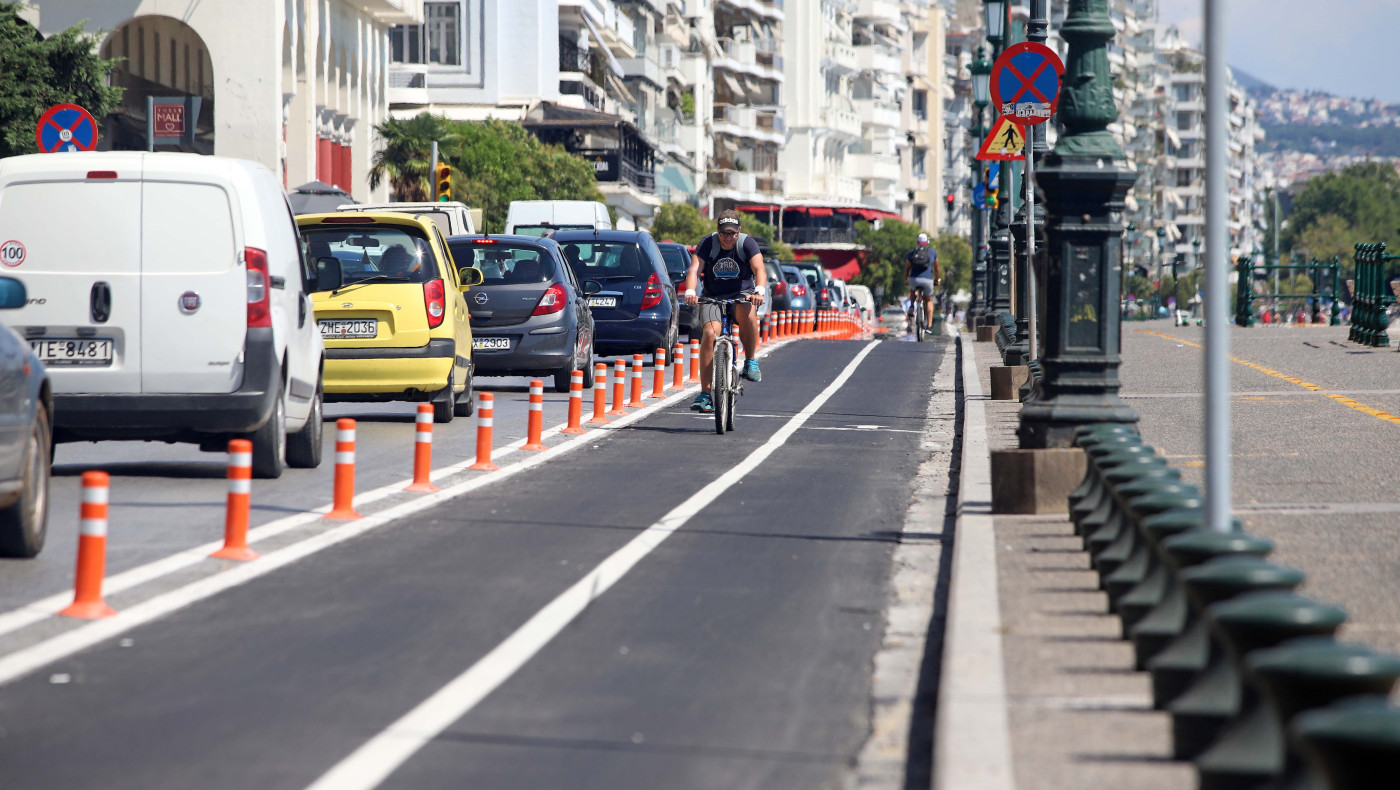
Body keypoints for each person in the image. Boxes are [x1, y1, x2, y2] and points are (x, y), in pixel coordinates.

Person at [684, 210, 767, 413]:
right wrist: (690, 291)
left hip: (741, 295)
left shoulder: (747, 243)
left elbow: (759, 269)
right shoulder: (707, 244)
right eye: (724, 233)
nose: (728, 238)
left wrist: (759, 291)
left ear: (739, 232)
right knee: (710, 333)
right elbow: (695, 269)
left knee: (748, 311)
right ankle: (705, 394)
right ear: (718, 231)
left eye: (732, 233)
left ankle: (750, 361)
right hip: (713, 297)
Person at [905, 233, 940, 331]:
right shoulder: (932, 252)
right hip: (928, 280)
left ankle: (912, 305)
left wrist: (906, 278)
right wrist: (937, 279)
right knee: (928, 300)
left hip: (914, 279)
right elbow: (936, 268)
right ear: (927, 242)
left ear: (917, 242)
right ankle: (929, 325)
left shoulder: (912, 252)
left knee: (912, 290)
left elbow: (907, 267)